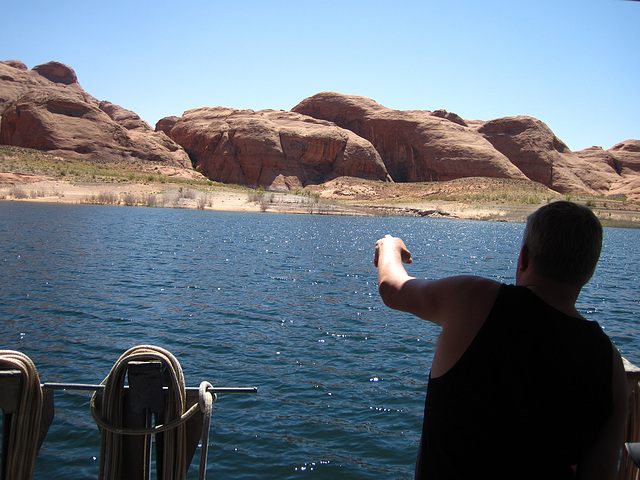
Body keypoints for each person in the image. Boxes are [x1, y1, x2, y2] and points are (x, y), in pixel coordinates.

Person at [374, 201, 627, 479]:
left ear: (524, 257)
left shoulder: (476, 299)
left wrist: (389, 247)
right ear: (588, 270)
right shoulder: (609, 362)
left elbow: (393, 289)